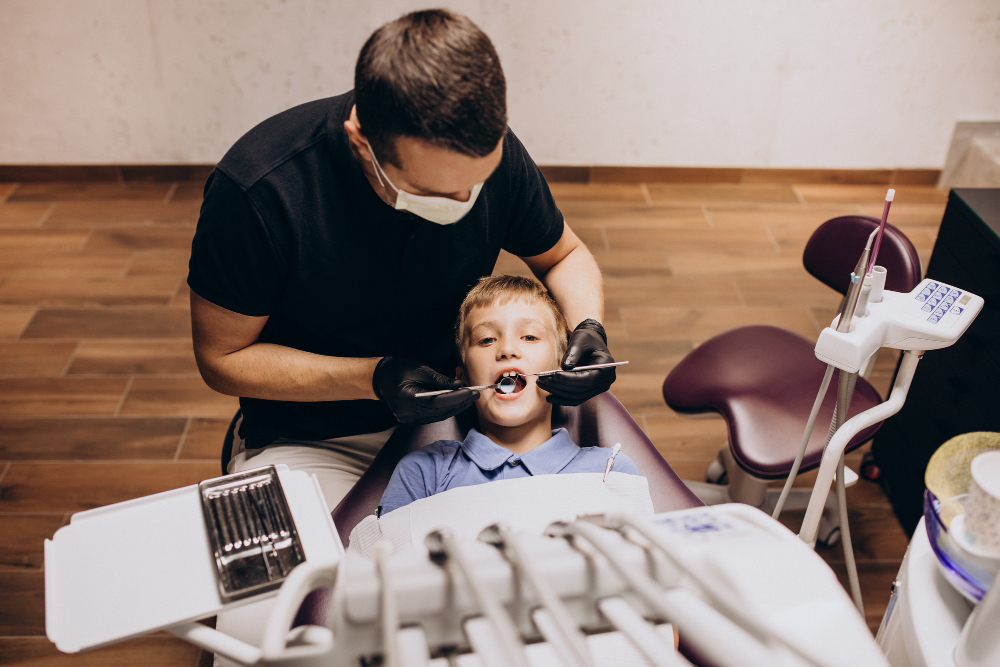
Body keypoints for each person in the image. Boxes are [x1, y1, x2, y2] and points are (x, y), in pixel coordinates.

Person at [188, 9, 618, 515]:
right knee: (337, 563)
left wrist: (589, 327)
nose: (464, 201)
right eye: (435, 191)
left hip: (464, 419)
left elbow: (564, 255)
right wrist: (375, 377)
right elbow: (223, 359)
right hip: (321, 435)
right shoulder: (260, 192)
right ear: (361, 140)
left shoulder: (491, 152)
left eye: (476, 182)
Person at [379, 275, 639, 515]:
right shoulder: (424, 473)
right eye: (486, 339)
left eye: (530, 336)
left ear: (563, 366)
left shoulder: (610, 471)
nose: (507, 349)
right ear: (464, 377)